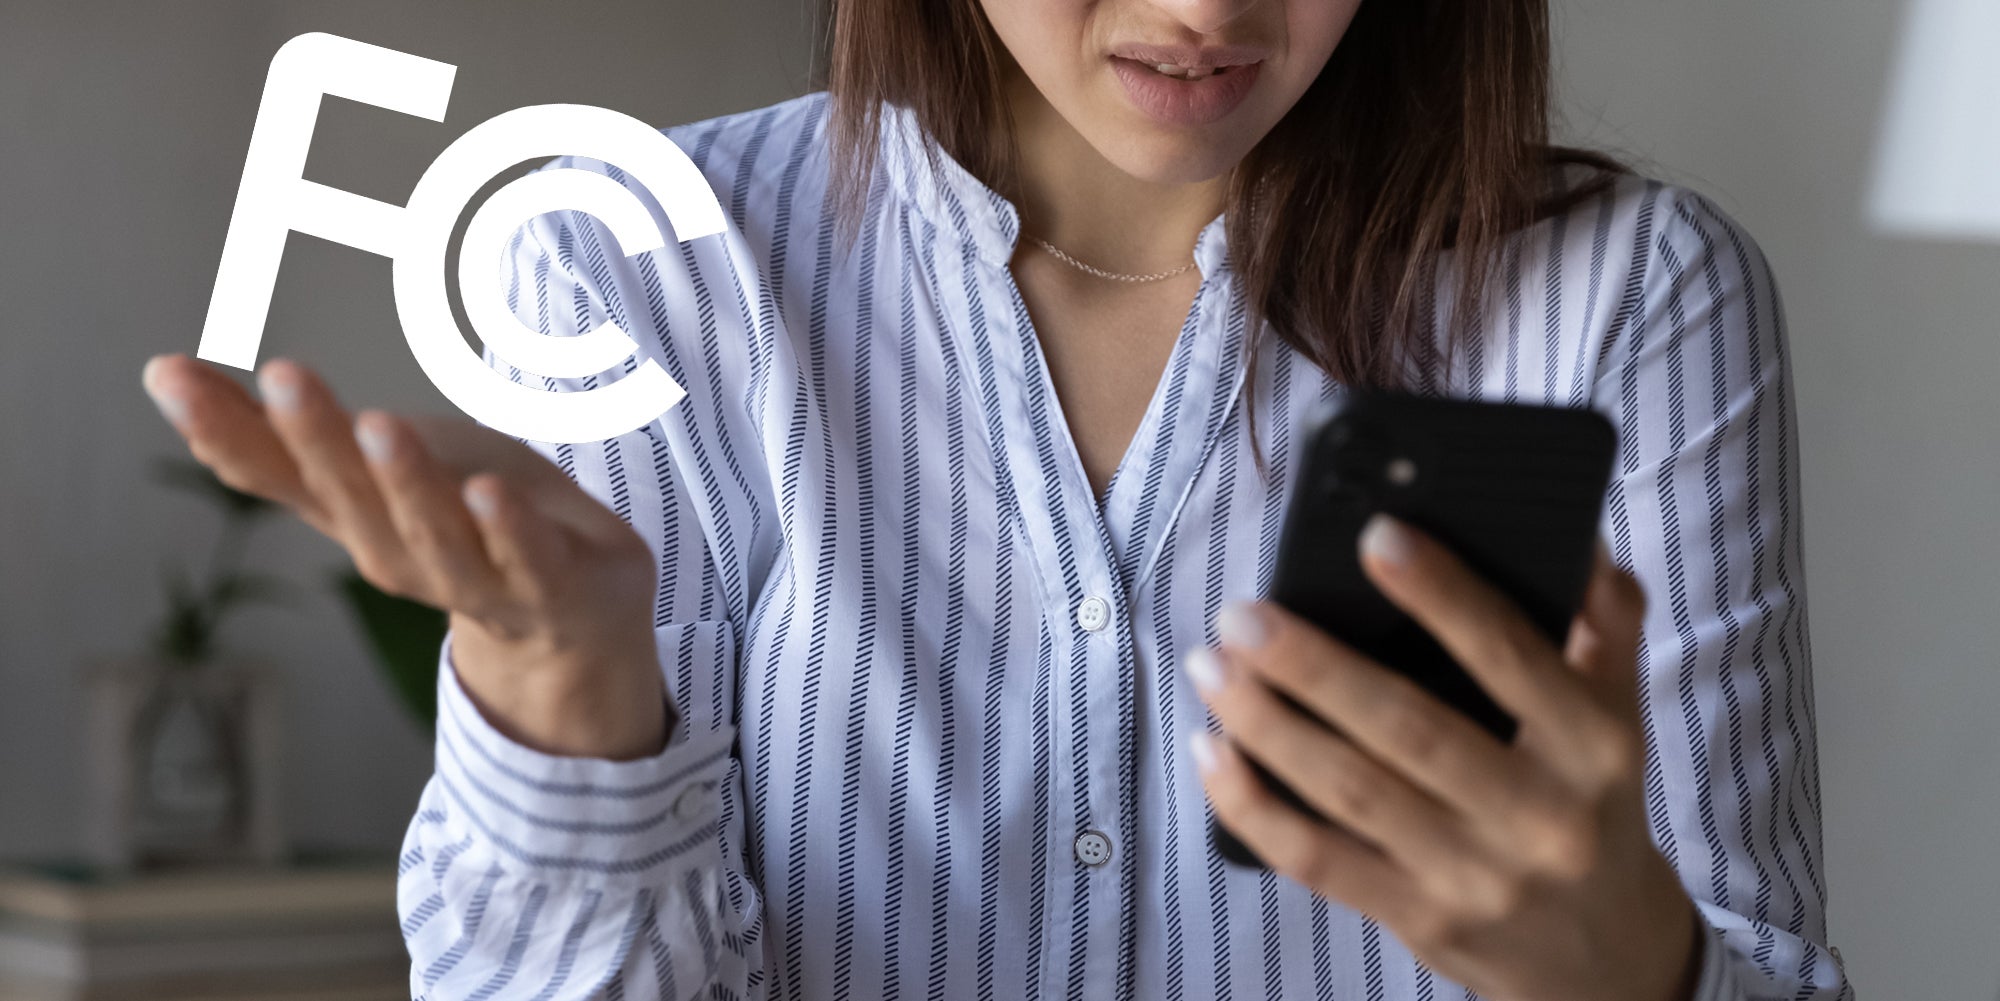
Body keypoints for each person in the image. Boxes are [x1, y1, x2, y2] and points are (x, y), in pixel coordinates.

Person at [140, 0, 1854, 996]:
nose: (1204, 7)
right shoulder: (642, 268)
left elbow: (1755, 957)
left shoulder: (1627, 295)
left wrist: (1635, 971)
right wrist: (569, 701)